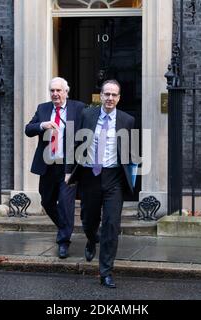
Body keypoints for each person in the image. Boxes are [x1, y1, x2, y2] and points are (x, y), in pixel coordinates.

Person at [68, 80, 135, 288]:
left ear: (119, 98)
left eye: (114, 95)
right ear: (101, 95)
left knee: (111, 225)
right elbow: (76, 143)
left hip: (114, 177)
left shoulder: (127, 120)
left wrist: (131, 176)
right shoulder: (87, 115)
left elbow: (130, 151)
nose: (110, 98)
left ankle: (105, 271)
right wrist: (69, 171)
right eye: (107, 94)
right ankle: (90, 238)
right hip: (90, 176)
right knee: (88, 219)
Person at [25, 77, 86, 259]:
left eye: (59, 90)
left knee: (66, 203)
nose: (55, 94)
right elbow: (29, 129)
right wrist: (42, 125)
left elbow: (87, 131)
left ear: (66, 92)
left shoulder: (78, 107)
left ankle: (63, 242)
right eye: (52, 90)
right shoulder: (43, 109)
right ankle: (64, 228)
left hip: (68, 166)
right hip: (48, 165)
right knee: (47, 202)